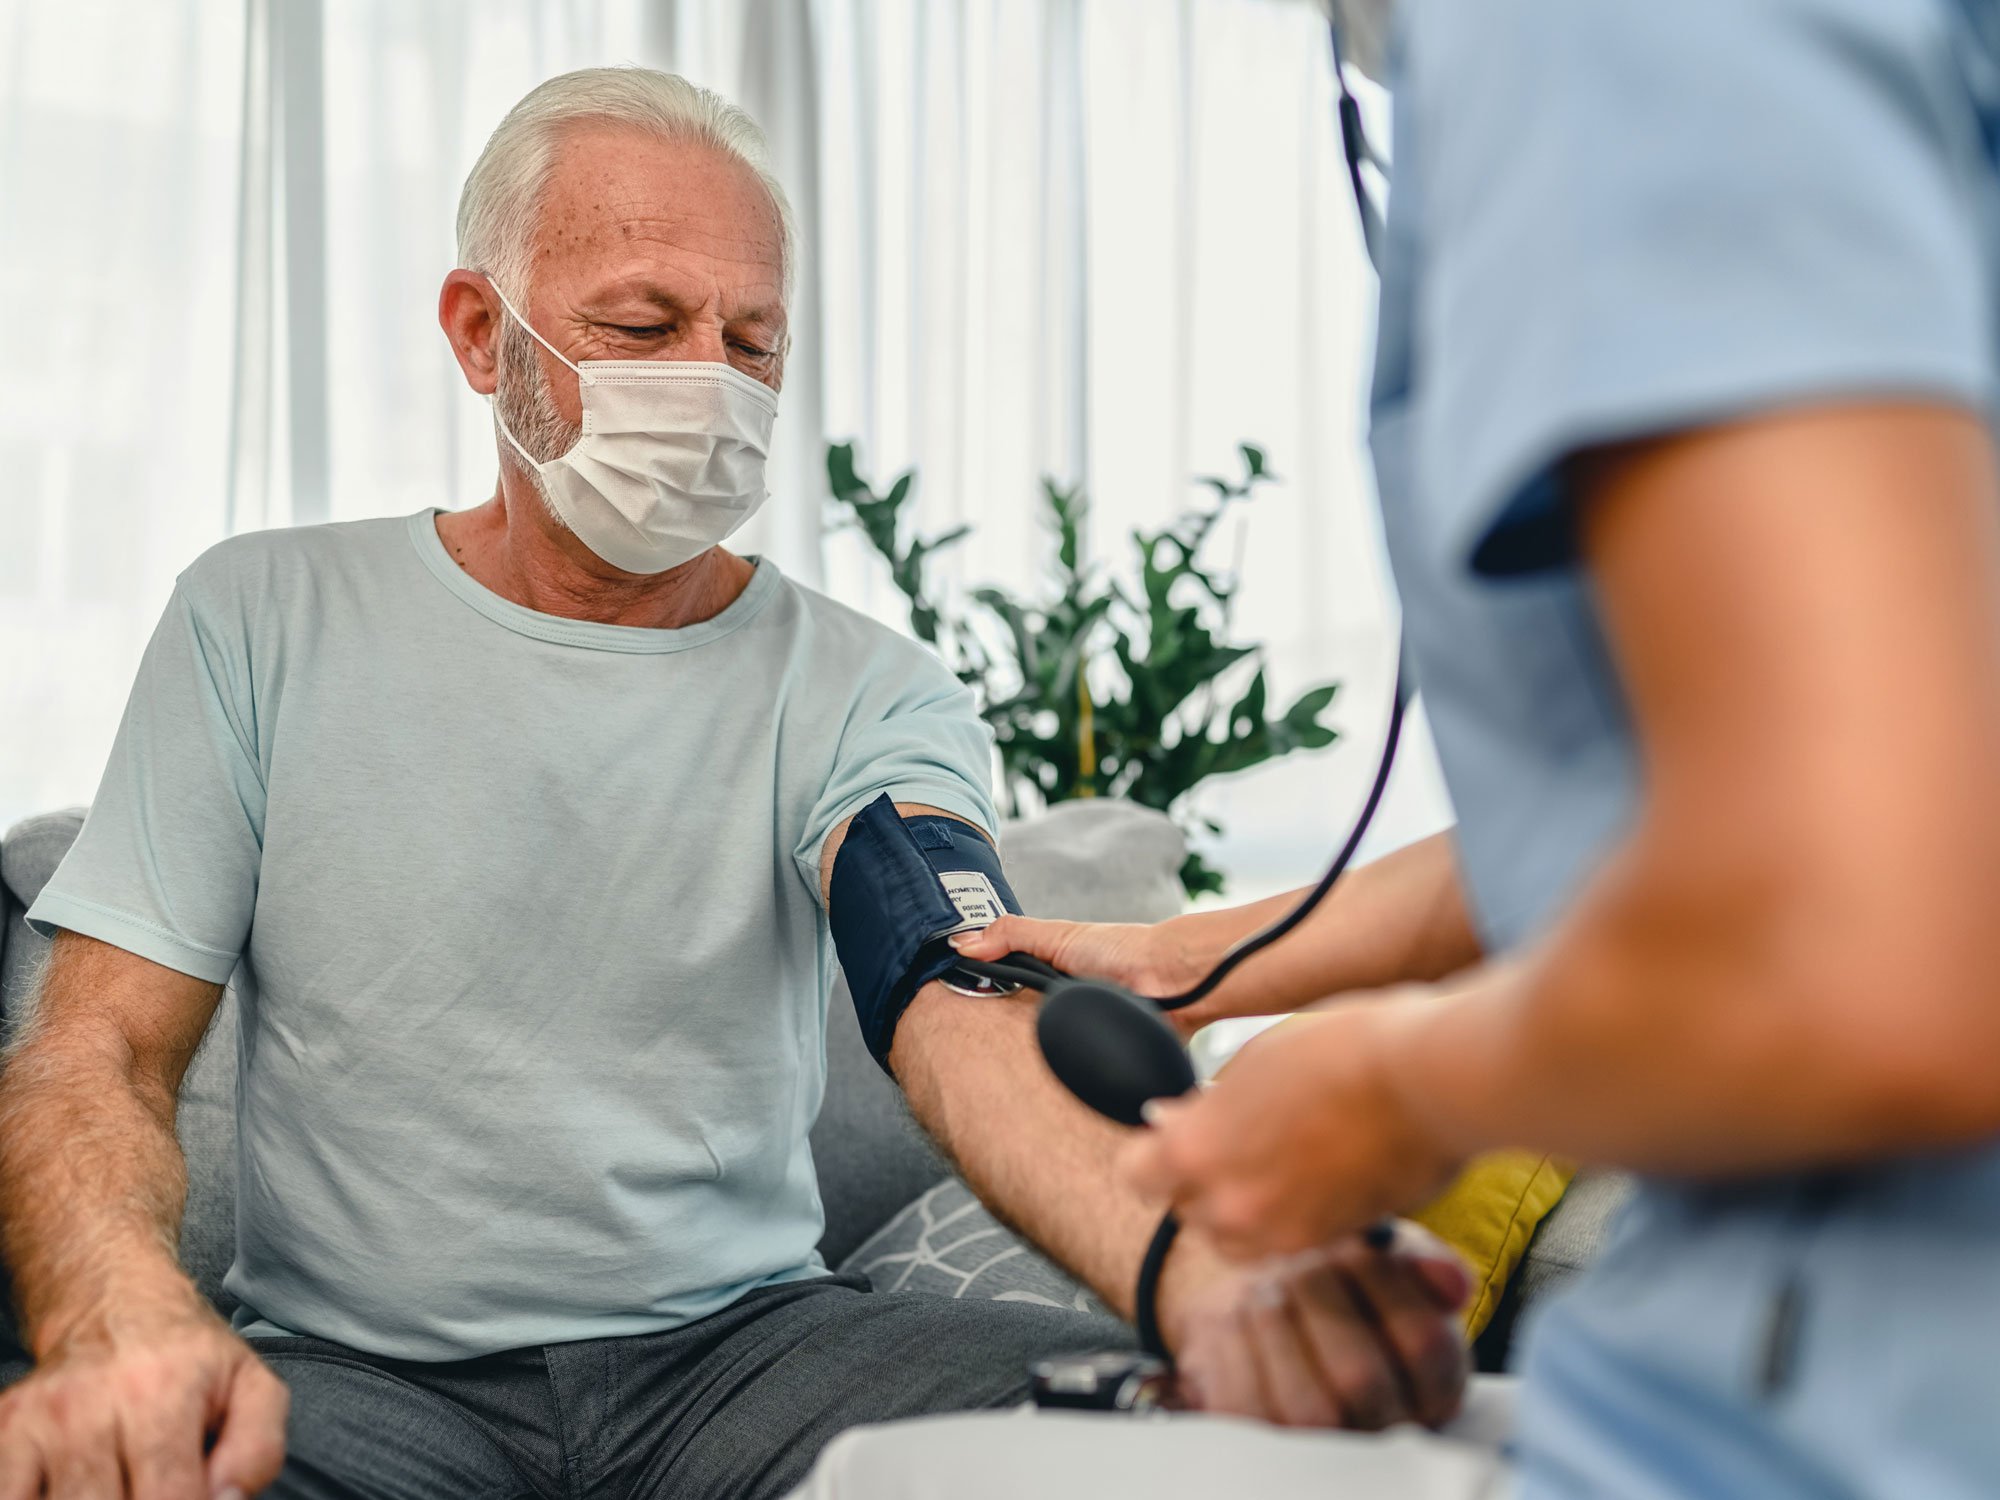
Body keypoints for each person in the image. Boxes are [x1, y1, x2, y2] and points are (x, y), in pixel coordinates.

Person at [0, 67, 1471, 1500]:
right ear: (477, 330)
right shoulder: (260, 617)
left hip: (749, 1363)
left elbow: (953, 998)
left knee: (1195, 1444)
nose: (706, 379)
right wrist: (120, 1320)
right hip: (359, 1381)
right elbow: (97, 1056)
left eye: (752, 342)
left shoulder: (861, 686)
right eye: (642, 324)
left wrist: (1199, 1284)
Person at [785, 0, 2000, 1494]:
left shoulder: (1609, 40)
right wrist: (1198, 959)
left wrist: (1404, 1090)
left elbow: (1866, 918)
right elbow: (1685, 808)